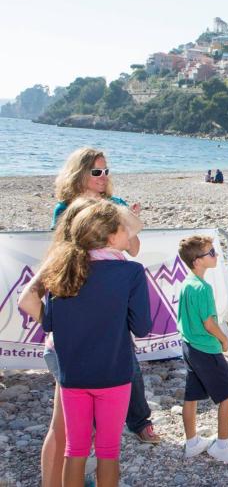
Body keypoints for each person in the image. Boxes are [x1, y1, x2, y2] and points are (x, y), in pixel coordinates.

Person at [48, 148, 160, 451]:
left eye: (106, 171)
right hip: (80, 291)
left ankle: (138, 421)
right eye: (96, 171)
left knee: (124, 359)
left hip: (110, 293)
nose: (103, 177)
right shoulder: (65, 209)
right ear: (80, 173)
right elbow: (61, 253)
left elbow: (133, 250)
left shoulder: (116, 205)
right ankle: (87, 437)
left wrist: (131, 223)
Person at [41, 201, 152, 487]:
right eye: (125, 229)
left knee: (74, 451)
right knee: (108, 453)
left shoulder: (61, 270)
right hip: (113, 374)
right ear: (111, 236)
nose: (130, 235)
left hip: (72, 376)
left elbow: (48, 325)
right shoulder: (131, 273)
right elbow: (142, 327)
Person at [18, 197, 114, 487]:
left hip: (75, 352)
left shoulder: (86, 257)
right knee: (63, 429)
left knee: (76, 428)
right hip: (67, 353)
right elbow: (27, 299)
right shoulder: (64, 258)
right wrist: (56, 327)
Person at [176, 235, 228, 466]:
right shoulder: (202, 288)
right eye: (211, 253)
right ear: (197, 261)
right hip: (205, 348)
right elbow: (209, 323)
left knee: (192, 394)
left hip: (189, 346)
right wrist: (223, 340)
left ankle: (192, 442)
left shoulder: (186, 282)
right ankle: (222, 445)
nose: (215, 256)